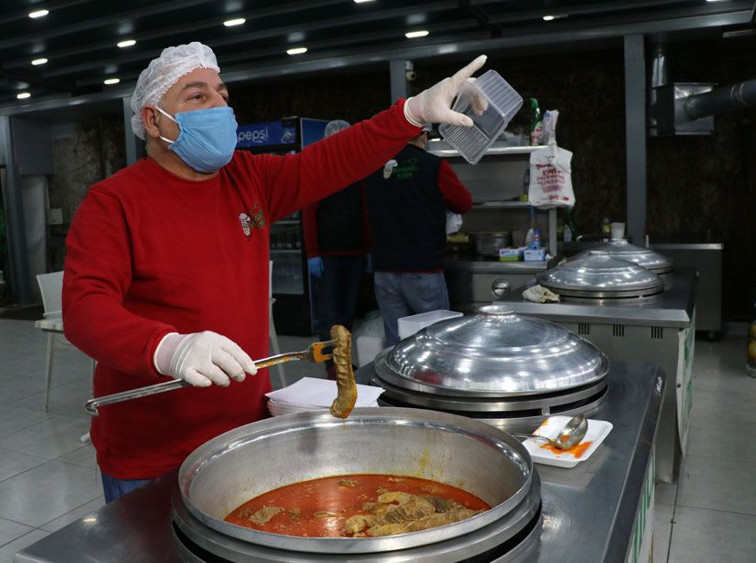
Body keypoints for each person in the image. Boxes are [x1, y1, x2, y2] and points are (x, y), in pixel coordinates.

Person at [62, 41, 489, 502]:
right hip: (150, 452)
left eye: (222, 94)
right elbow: (84, 310)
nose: (220, 106)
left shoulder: (249, 179)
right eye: (197, 96)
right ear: (152, 120)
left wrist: (412, 112)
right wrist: (167, 347)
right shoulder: (114, 202)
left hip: (244, 434)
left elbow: (333, 159)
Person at [365, 125, 473, 346]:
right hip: (423, 269)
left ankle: (397, 380)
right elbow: (463, 203)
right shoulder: (434, 166)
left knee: (396, 343)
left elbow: (365, 213)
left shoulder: (375, 169)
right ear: (424, 136)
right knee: (435, 340)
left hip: (384, 269)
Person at [302, 120, 369, 379]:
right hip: (327, 255)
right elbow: (309, 213)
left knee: (347, 312)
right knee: (330, 313)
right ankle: (332, 366)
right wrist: (313, 253)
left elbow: (363, 210)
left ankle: (343, 360)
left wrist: (367, 248)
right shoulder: (318, 167)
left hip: (353, 252)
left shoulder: (358, 167)